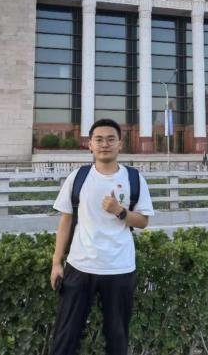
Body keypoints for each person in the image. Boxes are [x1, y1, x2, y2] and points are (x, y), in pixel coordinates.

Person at [49, 118, 155, 355]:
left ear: (120, 144)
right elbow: (65, 221)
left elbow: (143, 221)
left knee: (117, 338)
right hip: (80, 265)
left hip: (119, 267)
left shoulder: (134, 178)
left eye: (110, 139)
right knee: (65, 336)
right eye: (98, 139)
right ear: (90, 145)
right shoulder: (78, 177)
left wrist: (119, 211)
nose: (104, 144)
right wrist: (56, 262)